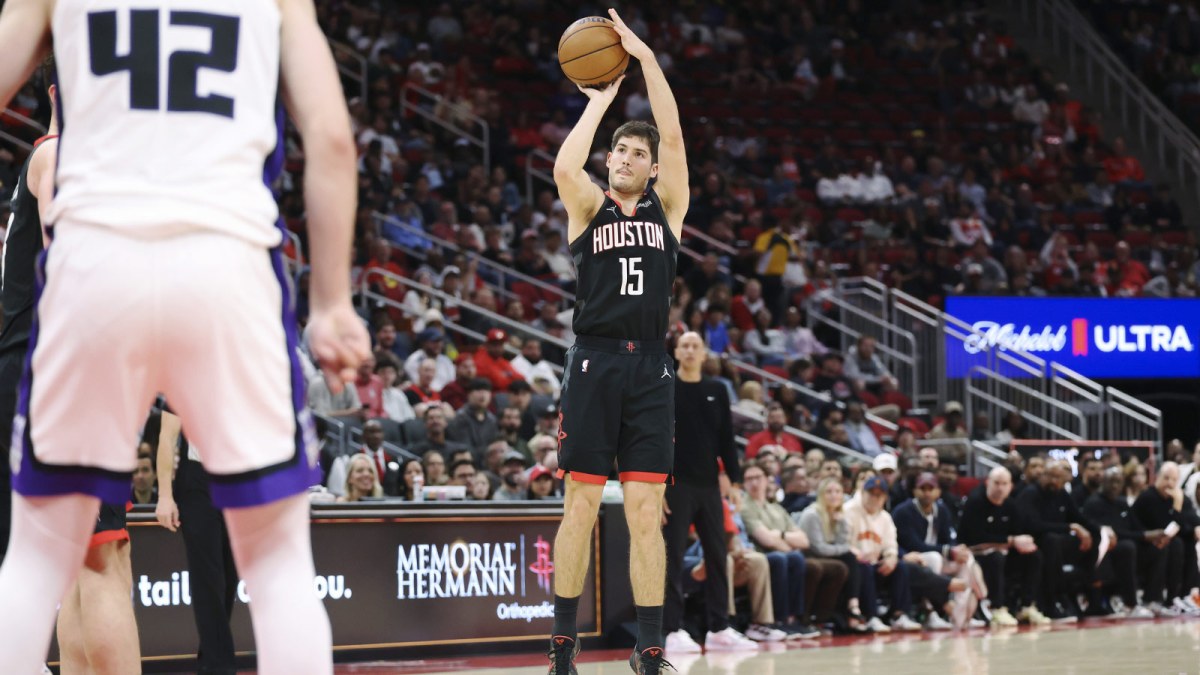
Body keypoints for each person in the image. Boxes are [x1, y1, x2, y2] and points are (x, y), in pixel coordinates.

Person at [548, 10, 687, 675]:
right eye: (620, 151)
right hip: (594, 361)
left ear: (653, 168)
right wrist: (601, 101)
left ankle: (649, 649)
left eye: (637, 152)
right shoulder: (587, 206)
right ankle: (562, 646)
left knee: (644, 510)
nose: (624, 158)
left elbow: (676, 135)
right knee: (579, 502)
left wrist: (648, 62)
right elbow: (564, 162)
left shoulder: (670, 208)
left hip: (651, 368)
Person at [0, 60, 140, 674]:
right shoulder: (64, 157)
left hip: (30, 376)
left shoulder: (46, 160)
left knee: (73, 559)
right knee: (102, 555)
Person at [662, 332, 755, 654]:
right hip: (675, 485)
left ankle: (719, 628)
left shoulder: (717, 389)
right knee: (672, 556)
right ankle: (672, 629)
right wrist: (657, 485)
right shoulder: (666, 388)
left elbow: (726, 439)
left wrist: (735, 480)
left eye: (695, 346)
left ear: (704, 354)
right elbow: (657, 439)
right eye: (684, 345)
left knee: (718, 555)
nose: (689, 350)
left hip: (710, 486)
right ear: (676, 351)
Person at [155, 407, 239, 675]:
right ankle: (220, 666)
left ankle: (209, 661)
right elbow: (167, 438)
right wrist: (165, 496)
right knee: (209, 578)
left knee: (230, 578)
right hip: (198, 480)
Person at [740, 462, 831, 639]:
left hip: (780, 552)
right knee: (785, 558)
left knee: (795, 557)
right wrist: (787, 542)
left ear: (767, 480)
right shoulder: (746, 507)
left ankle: (793, 619)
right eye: (748, 479)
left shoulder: (776, 508)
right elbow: (765, 539)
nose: (754, 483)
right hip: (760, 554)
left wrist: (780, 535)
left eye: (758, 478)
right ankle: (779, 620)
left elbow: (804, 540)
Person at [958, 467, 1049, 626]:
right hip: (976, 554)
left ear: (1010, 486)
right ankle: (997, 608)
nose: (1000, 488)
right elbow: (974, 538)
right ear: (987, 483)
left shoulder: (1010, 505)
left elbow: (1017, 532)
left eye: (1004, 484)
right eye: (996, 483)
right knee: (996, 558)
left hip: (1003, 551)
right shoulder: (975, 502)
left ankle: (1026, 605)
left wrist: (1022, 542)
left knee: (1034, 555)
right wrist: (1011, 540)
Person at [797, 478, 871, 632]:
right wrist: (847, 548)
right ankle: (852, 608)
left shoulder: (838, 516)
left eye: (838, 492)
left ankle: (846, 611)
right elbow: (819, 548)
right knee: (849, 558)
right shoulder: (812, 514)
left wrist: (843, 523)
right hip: (808, 556)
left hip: (825, 556)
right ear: (821, 495)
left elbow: (841, 542)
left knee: (854, 563)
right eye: (829, 492)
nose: (834, 495)